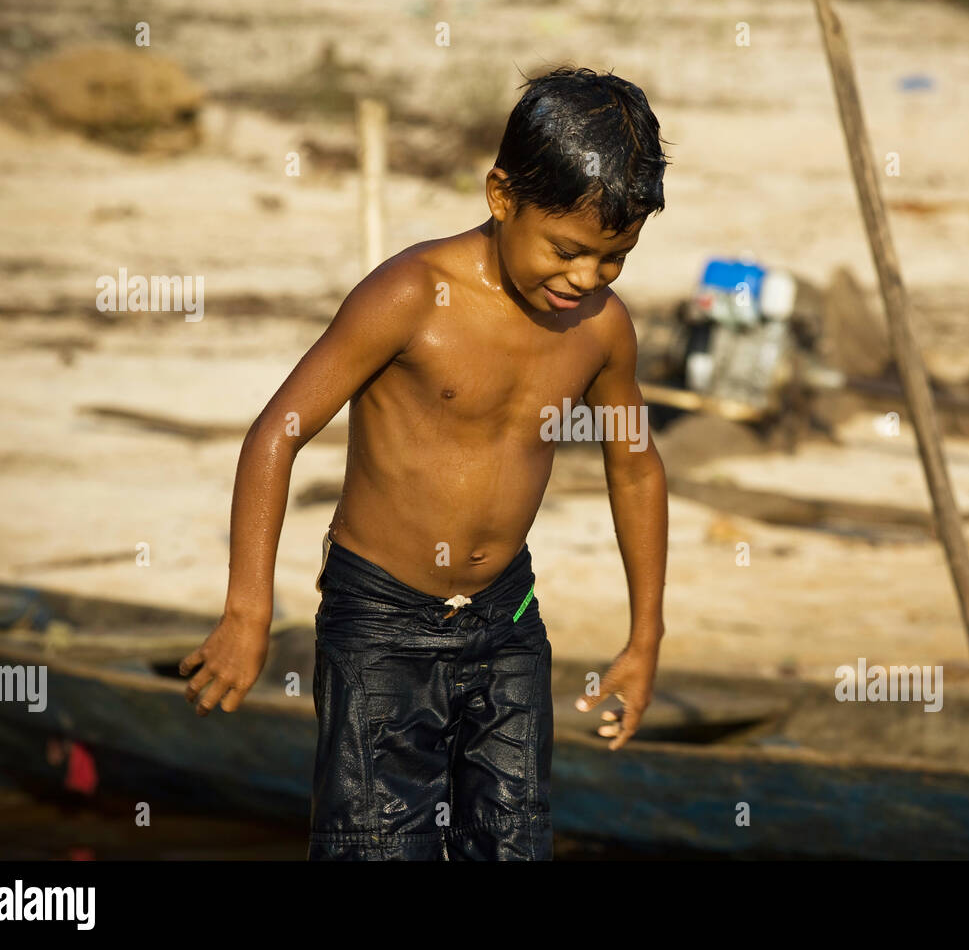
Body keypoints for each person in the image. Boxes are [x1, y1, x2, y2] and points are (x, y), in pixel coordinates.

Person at [179, 66, 670, 860]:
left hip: (507, 623)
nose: (585, 279)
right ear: (501, 196)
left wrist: (643, 639)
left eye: (614, 259)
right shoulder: (410, 295)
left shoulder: (603, 330)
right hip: (380, 626)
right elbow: (278, 432)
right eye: (569, 250)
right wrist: (247, 611)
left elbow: (637, 469)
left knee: (513, 845)